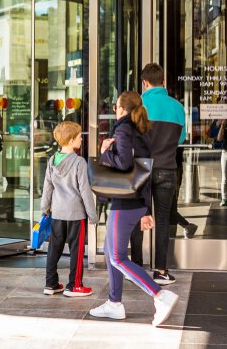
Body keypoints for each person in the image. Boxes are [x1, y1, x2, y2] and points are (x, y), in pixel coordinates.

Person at [90, 91, 178, 327]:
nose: (115, 109)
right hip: (135, 201)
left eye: (117, 105)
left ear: (123, 109)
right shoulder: (142, 130)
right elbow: (144, 171)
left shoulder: (123, 128)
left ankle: (160, 295)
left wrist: (105, 151)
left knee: (117, 257)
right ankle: (114, 303)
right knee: (111, 254)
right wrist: (146, 209)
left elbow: (124, 163)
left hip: (125, 202)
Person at [133, 62, 196, 286]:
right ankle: (161, 270)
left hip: (141, 170)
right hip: (167, 169)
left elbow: (131, 137)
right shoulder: (177, 107)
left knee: (137, 219)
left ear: (145, 83)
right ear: (164, 82)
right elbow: (180, 139)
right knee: (162, 221)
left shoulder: (139, 105)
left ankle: (136, 269)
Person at [40, 121, 97, 298]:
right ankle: (75, 285)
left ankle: (51, 283)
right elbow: (85, 190)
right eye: (80, 136)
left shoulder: (52, 160)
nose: (82, 138)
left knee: (54, 249)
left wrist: (45, 207)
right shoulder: (79, 162)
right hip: (75, 214)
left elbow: (47, 187)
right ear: (72, 140)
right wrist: (92, 215)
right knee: (76, 251)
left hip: (57, 213)